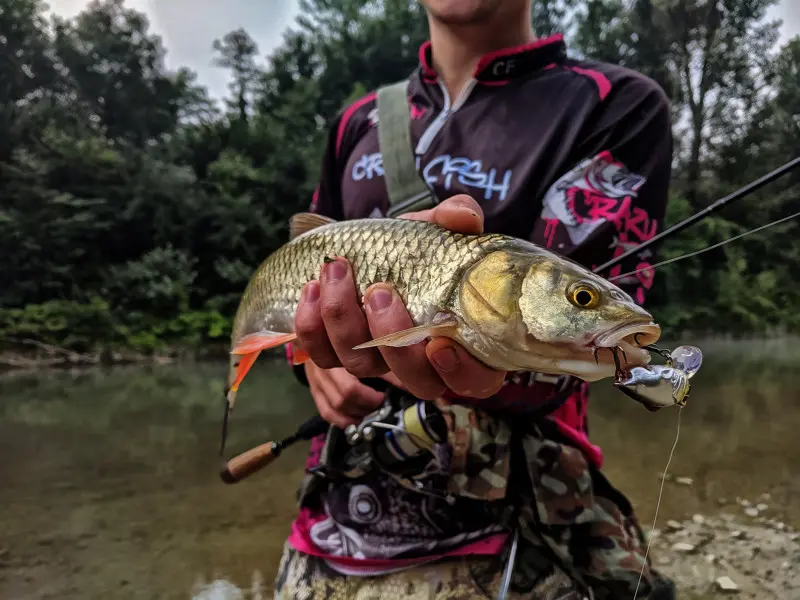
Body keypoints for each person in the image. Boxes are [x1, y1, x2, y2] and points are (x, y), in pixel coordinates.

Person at [273, 0, 676, 598]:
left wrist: (470, 360)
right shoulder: (354, 121)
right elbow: (305, 278)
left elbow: (576, 345)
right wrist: (313, 365)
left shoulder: (613, 102)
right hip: (338, 505)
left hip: (525, 507)